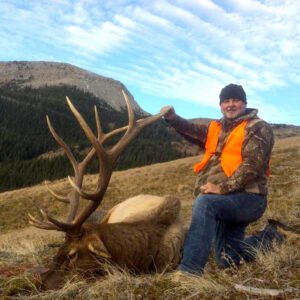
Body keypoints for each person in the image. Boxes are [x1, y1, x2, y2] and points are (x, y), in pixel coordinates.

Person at [160, 83, 286, 275]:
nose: (231, 105)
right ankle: (272, 237)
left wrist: (222, 188)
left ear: (244, 103)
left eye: (235, 100)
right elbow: (192, 131)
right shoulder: (217, 128)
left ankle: (189, 272)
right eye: (226, 101)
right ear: (220, 105)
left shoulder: (258, 128)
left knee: (205, 204)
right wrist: (172, 118)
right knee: (228, 258)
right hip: (226, 201)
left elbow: (252, 166)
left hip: (249, 198)